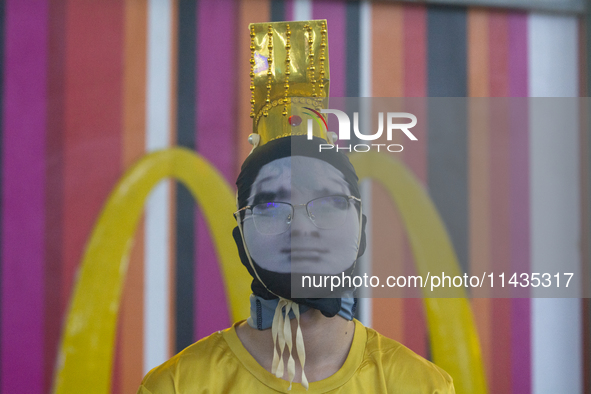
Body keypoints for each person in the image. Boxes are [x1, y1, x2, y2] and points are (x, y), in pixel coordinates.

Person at [137, 20, 454, 393]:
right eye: (272, 205)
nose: (302, 227)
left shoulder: (419, 386)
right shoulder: (178, 385)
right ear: (241, 240)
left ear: (360, 231)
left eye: (330, 202)